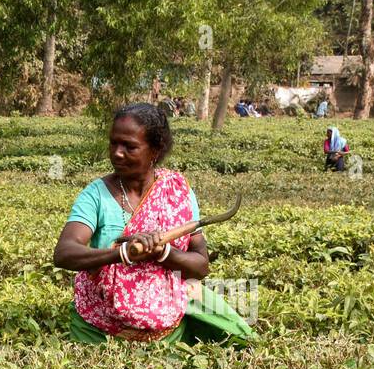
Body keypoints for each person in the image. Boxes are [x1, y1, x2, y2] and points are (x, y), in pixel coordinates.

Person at [52, 102, 254, 345]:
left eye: (130, 146)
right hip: (98, 330)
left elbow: (200, 267)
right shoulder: (96, 195)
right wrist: (123, 254)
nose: (117, 152)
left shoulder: (178, 191)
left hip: (167, 334)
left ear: (155, 150)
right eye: (113, 143)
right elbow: (65, 253)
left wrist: (162, 252)